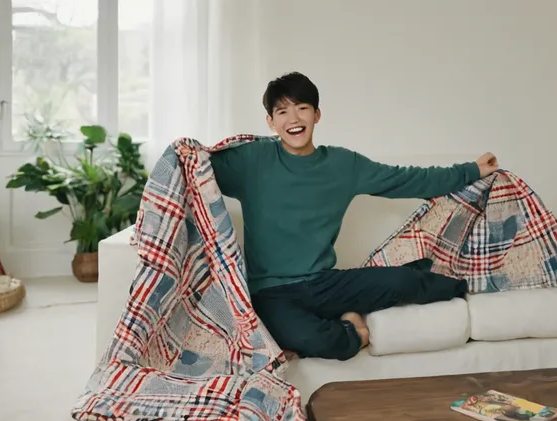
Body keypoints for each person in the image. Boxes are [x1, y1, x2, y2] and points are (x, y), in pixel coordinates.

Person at [209, 72, 499, 361]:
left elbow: (406, 179)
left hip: (326, 283)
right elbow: (197, 170)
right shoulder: (251, 160)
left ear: (317, 114)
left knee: (403, 282)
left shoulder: (343, 164)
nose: (293, 119)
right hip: (272, 292)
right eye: (282, 111)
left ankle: (470, 284)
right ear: (271, 122)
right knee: (318, 340)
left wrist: (471, 171)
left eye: (302, 108)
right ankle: (353, 327)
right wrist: (181, 153)